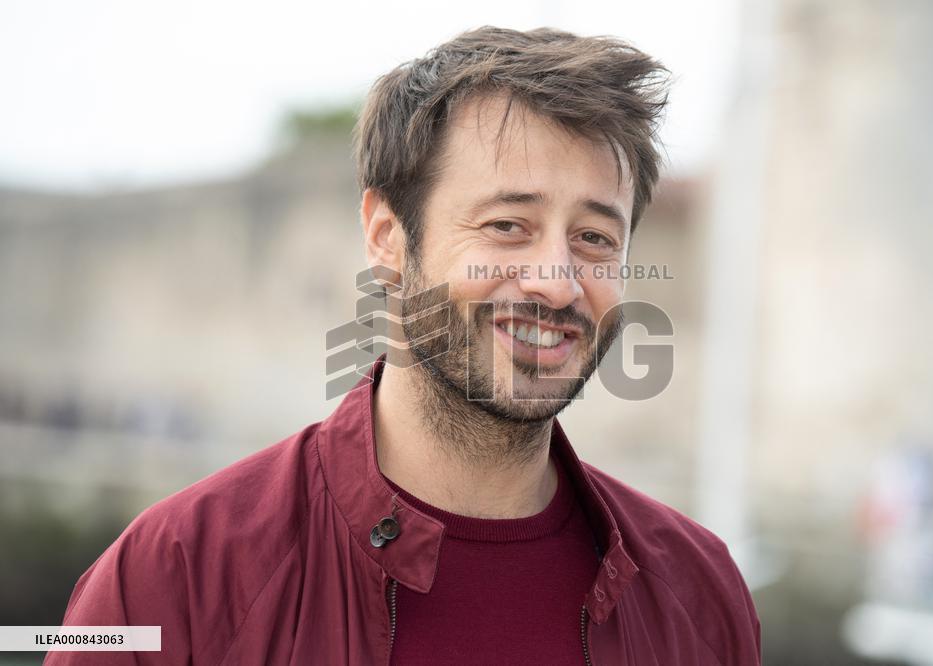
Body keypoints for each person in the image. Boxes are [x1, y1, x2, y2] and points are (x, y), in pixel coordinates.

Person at [48, 26, 761, 665]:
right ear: (388, 237)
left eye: (595, 238)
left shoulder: (698, 593)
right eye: (507, 225)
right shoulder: (176, 576)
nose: (556, 281)